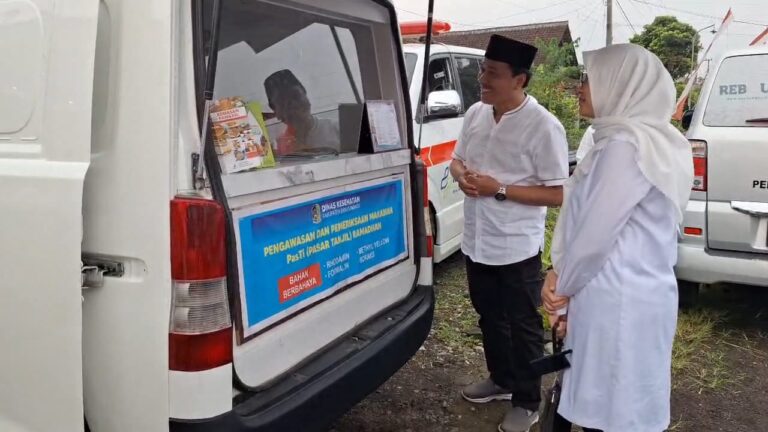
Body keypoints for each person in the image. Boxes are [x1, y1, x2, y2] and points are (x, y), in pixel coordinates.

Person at [542, 44, 694, 432]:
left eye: (590, 79)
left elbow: (593, 236)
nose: (580, 88)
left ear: (621, 84)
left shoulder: (626, 147)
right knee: (618, 406)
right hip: (632, 294)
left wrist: (562, 288)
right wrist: (562, 278)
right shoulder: (647, 140)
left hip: (615, 298)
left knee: (611, 408)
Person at [450, 34, 569, 432]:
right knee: (489, 316)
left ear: (520, 80)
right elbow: (456, 161)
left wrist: (498, 189)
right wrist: (463, 176)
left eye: (493, 73)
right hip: (477, 239)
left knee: (523, 325)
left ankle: (527, 399)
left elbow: (557, 193)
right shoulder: (475, 114)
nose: (482, 78)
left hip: (516, 245)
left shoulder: (543, 126)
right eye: (483, 70)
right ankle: (501, 380)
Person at [263, 69, 340, 155]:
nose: (293, 106)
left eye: (295, 96)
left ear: (306, 95)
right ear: (276, 112)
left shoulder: (338, 129)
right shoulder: (276, 147)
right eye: (282, 103)